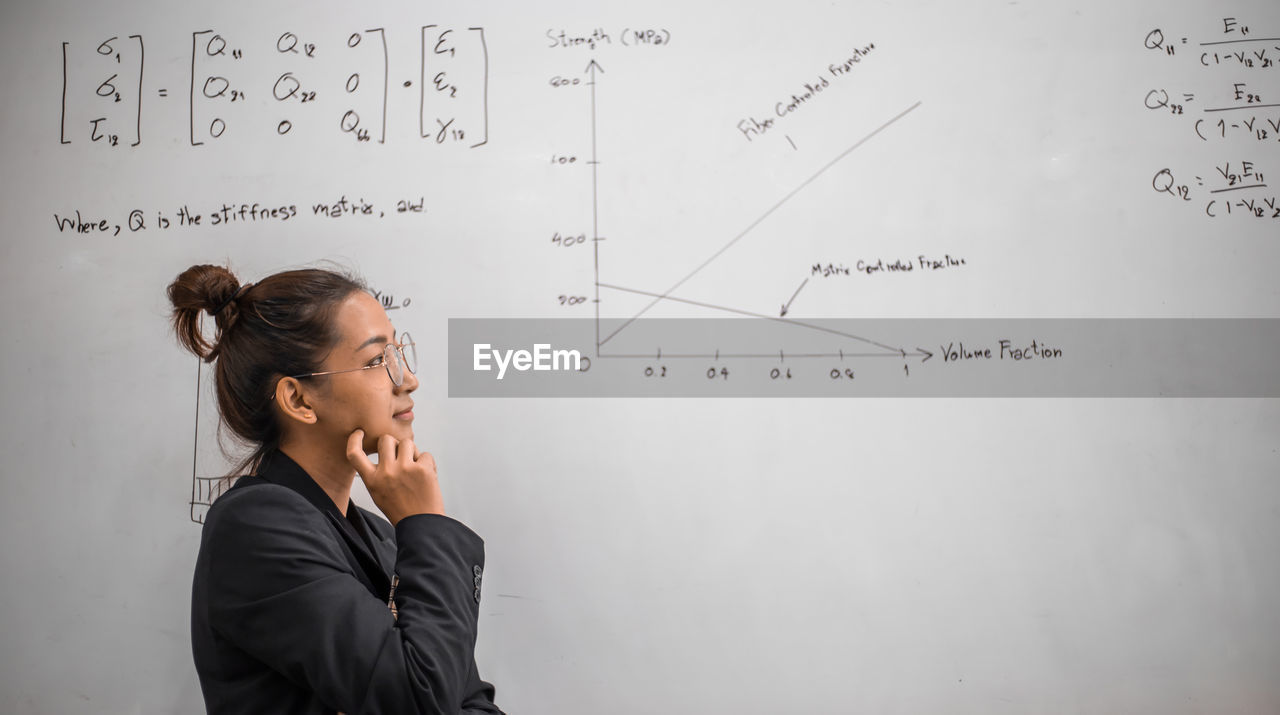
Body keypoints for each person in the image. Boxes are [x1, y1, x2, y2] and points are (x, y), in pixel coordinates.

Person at [169, 263, 504, 714]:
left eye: (398, 354)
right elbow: (419, 698)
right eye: (375, 361)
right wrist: (425, 523)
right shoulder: (254, 526)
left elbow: (471, 700)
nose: (407, 380)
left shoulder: (382, 536)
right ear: (299, 400)